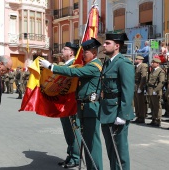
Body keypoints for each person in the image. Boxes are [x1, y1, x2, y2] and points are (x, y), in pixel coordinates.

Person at [39, 38, 103, 170]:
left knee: (92, 142)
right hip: (83, 107)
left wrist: (51, 66)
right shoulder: (88, 65)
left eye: (86, 52)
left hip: (91, 108)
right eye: (83, 51)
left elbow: (74, 72)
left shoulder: (94, 66)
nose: (83, 54)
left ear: (94, 53)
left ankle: (95, 167)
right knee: (88, 142)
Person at [99, 33, 135, 170]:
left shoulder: (123, 63)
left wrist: (123, 115)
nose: (104, 45)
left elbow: (128, 90)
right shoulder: (108, 62)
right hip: (106, 111)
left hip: (117, 112)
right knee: (111, 149)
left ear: (117, 46)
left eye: (107, 43)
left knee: (120, 150)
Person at [57, 42, 81, 168]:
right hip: (63, 103)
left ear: (71, 52)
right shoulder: (64, 65)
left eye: (65, 49)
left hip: (72, 103)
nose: (62, 50)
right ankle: (70, 154)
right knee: (67, 130)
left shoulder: (74, 65)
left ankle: (76, 157)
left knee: (74, 131)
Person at [147, 57, 165, 127]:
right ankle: (153, 119)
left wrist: (156, 90)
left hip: (156, 91)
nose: (152, 63)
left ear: (157, 64)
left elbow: (161, 82)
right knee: (152, 106)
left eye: (153, 62)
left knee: (157, 106)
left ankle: (158, 120)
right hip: (150, 90)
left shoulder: (161, 71)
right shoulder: (153, 70)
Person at [133, 56, 148, 123]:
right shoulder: (136, 67)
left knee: (140, 103)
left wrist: (141, 87)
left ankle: (142, 117)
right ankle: (138, 116)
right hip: (135, 85)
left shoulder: (142, 66)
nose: (135, 60)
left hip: (139, 85)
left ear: (140, 60)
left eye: (136, 59)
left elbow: (143, 77)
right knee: (136, 102)